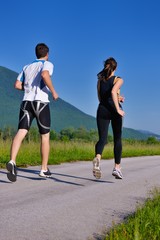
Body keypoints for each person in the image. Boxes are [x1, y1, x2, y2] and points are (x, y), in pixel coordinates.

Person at [6, 43, 58, 182]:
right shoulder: (47, 64)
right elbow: (45, 74)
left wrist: (28, 87)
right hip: (41, 102)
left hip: (26, 102)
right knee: (45, 136)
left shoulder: (26, 67)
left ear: (36, 54)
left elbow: (17, 85)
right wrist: (53, 91)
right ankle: (43, 169)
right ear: (47, 54)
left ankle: (12, 161)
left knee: (21, 132)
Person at [93, 57, 125, 180]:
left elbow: (101, 98)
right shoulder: (119, 79)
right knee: (117, 139)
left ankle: (98, 158)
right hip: (114, 110)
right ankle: (117, 168)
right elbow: (112, 92)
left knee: (102, 139)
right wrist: (118, 108)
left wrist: (118, 98)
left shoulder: (100, 81)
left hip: (102, 109)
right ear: (115, 68)